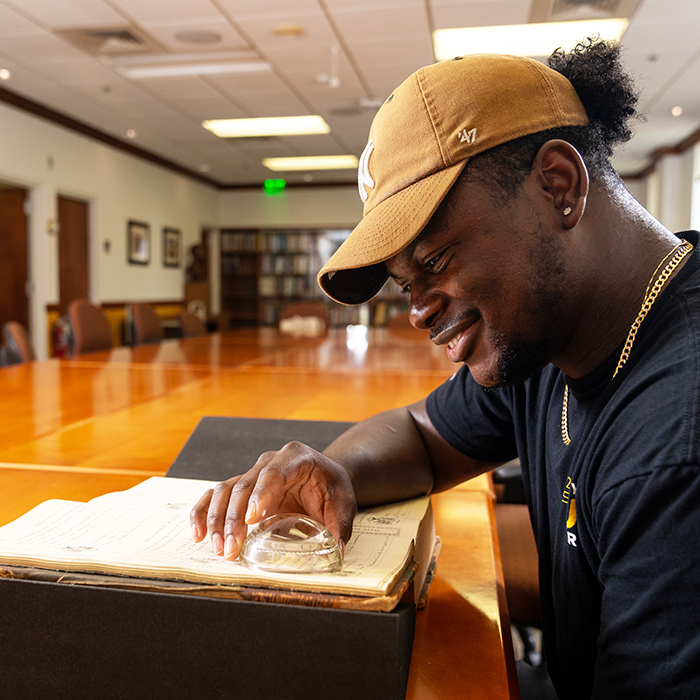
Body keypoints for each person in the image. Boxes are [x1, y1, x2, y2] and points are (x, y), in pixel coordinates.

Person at [191, 38, 700, 699]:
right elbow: (423, 435)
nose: (418, 312)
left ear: (558, 186)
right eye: (405, 286)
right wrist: (336, 469)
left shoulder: (675, 444)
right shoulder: (555, 334)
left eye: (434, 264)